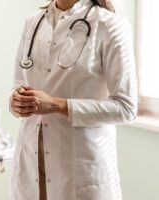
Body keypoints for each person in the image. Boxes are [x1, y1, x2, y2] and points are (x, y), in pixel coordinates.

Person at [9, 0, 137, 200]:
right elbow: (18, 84)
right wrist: (15, 101)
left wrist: (56, 105)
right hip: (32, 165)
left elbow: (126, 108)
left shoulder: (110, 25)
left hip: (80, 170)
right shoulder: (33, 23)